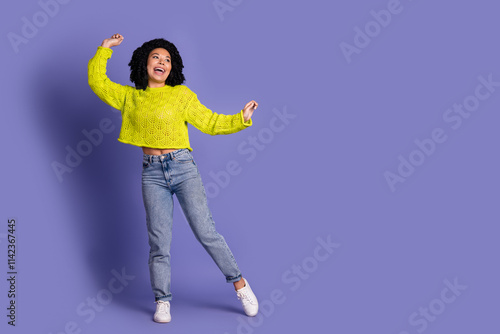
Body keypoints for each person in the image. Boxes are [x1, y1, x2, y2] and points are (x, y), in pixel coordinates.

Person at [87, 33, 259, 323]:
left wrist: (240, 118)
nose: (162, 62)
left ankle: (241, 285)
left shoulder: (181, 95)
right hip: (151, 172)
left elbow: (209, 121)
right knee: (159, 241)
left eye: (167, 59)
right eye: (156, 57)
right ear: (144, 63)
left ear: (172, 68)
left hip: (182, 168)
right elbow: (98, 82)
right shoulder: (131, 96)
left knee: (206, 231)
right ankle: (162, 301)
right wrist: (104, 50)